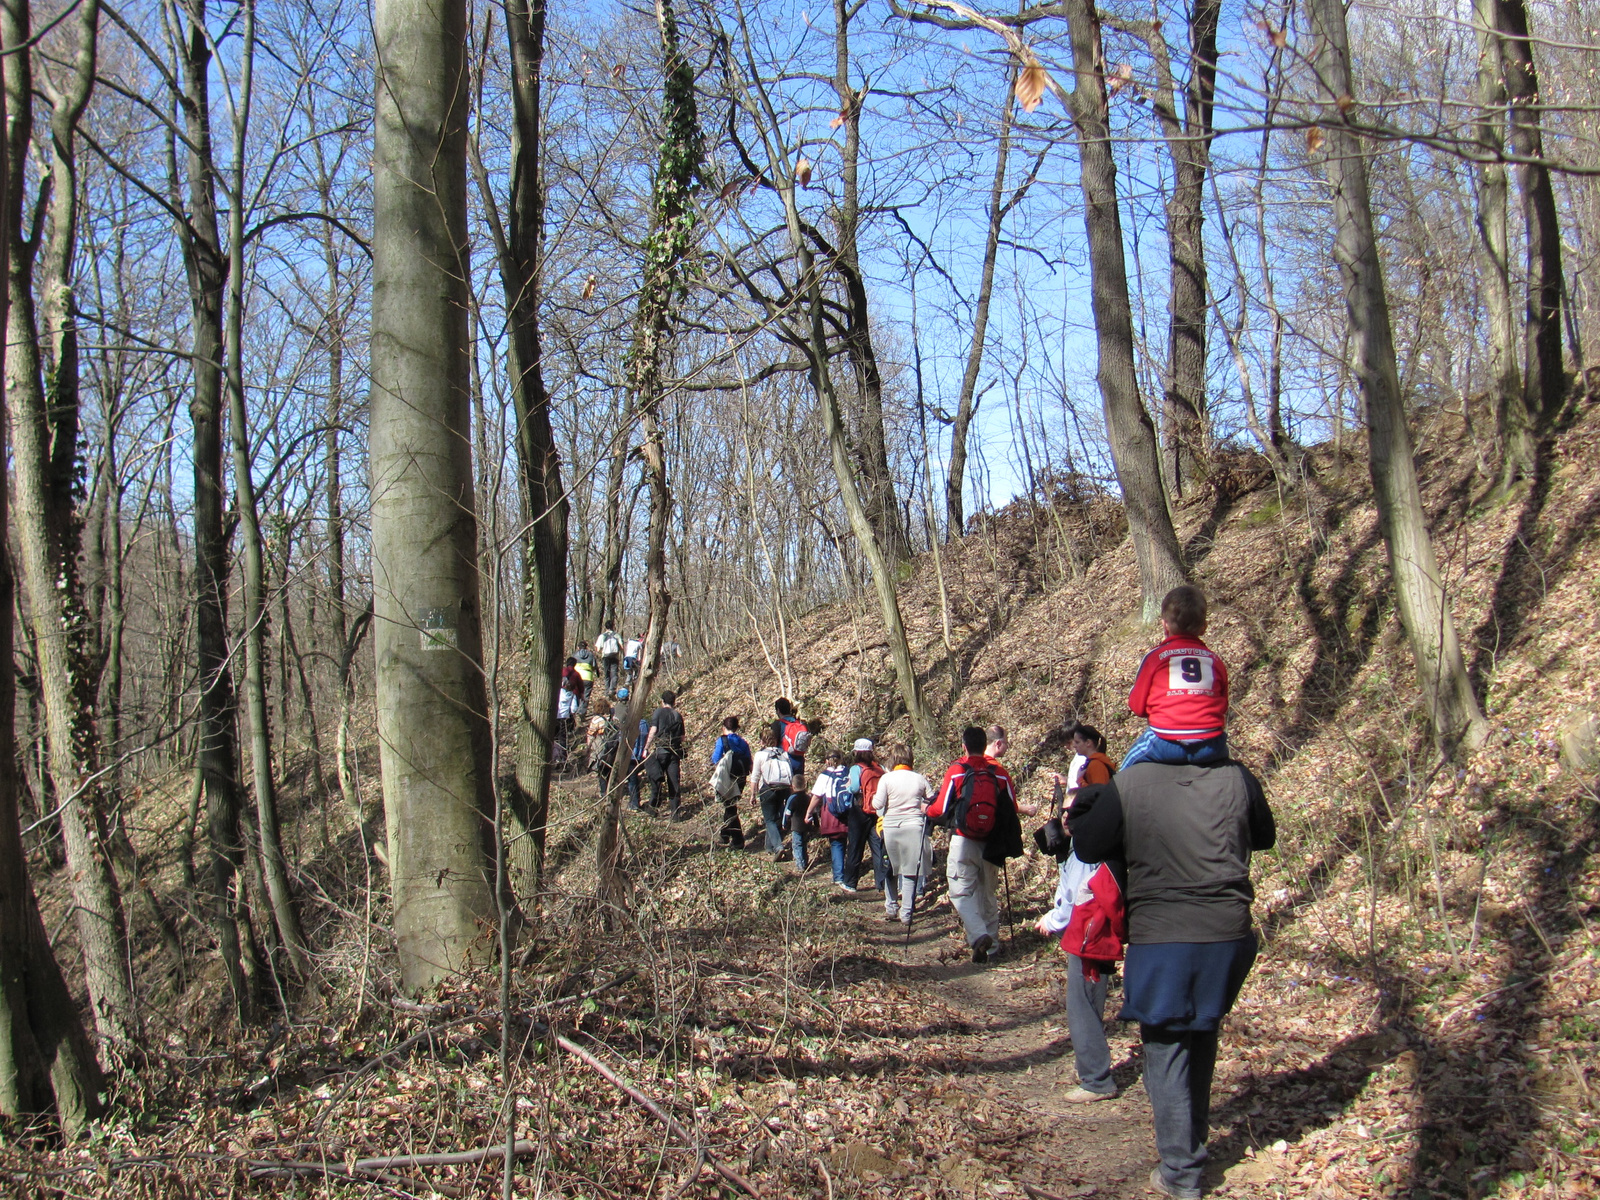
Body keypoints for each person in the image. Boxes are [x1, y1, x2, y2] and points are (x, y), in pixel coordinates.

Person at [1069, 754, 1276, 1198]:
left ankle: (1181, 1171)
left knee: (1164, 1046)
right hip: (1228, 931)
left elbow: (1087, 844)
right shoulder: (1237, 776)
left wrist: (1087, 806)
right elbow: (1265, 836)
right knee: (1202, 1032)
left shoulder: (1133, 781)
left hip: (1163, 933)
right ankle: (1189, 1147)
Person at [1034, 724, 1122, 1106]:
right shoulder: (1109, 844)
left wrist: (1050, 922)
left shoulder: (1086, 853)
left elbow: (1071, 901)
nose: (1063, 819)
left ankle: (1096, 1079)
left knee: (1082, 1006)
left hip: (1089, 935)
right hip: (1104, 931)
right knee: (1093, 999)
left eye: (1069, 813)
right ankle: (1096, 1072)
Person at [928, 726, 1020, 964]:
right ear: (986, 744)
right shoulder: (999, 772)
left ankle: (979, 935)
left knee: (960, 891)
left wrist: (926, 810)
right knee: (988, 893)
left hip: (963, 839)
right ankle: (992, 947)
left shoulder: (958, 770)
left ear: (964, 746)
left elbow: (939, 808)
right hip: (992, 841)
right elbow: (1011, 806)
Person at [1122, 585, 1229, 771]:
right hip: (1211, 745)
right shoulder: (1215, 661)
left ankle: (1111, 797)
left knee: (1121, 775)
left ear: (1165, 624)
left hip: (1165, 741)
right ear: (1204, 627)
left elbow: (1136, 706)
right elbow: (1223, 705)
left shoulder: (1155, 658)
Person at [875, 744, 934, 924]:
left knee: (890, 868)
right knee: (910, 870)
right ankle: (907, 913)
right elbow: (931, 800)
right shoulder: (920, 779)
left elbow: (877, 804)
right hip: (914, 827)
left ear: (893, 759)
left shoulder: (886, 779)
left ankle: (891, 906)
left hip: (891, 827)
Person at [841, 739, 885, 892]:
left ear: (856, 752)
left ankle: (850, 883)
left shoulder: (856, 768)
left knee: (855, 847)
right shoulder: (880, 767)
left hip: (859, 811)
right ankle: (882, 884)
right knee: (878, 848)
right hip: (878, 812)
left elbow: (853, 788)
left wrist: (847, 787)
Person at [805, 751, 851, 888]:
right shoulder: (848, 772)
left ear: (827, 761)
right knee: (847, 842)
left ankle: (839, 876)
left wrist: (808, 812)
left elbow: (816, 796)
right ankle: (848, 873)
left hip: (831, 813)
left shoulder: (825, 775)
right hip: (848, 812)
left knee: (836, 843)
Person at [750, 728, 796, 862]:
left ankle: (778, 846)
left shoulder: (760, 755)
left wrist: (752, 795)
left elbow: (755, 776)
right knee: (775, 817)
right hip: (784, 788)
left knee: (769, 819)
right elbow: (791, 775)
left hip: (767, 789)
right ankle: (769, 847)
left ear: (762, 741)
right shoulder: (784, 753)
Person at [642, 689, 686, 818]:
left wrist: (646, 747)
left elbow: (653, 730)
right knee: (674, 782)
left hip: (660, 751)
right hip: (674, 753)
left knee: (656, 779)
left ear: (662, 701)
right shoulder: (678, 715)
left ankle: (653, 808)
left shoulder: (658, 713)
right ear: (674, 702)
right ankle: (675, 814)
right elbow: (682, 737)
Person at [711, 717, 752, 848]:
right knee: (730, 805)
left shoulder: (722, 740)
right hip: (740, 778)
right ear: (736, 728)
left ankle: (738, 839)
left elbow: (715, 759)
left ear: (724, 727)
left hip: (728, 777)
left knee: (730, 808)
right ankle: (725, 834)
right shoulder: (743, 742)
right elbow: (749, 763)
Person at [558, 657, 586, 742]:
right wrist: (581, 694)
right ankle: (569, 731)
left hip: (561, 694)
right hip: (573, 694)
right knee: (570, 713)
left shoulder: (562, 671)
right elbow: (581, 686)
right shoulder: (576, 674)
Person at [596, 626, 623, 696]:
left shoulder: (602, 636)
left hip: (605, 656)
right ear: (613, 627)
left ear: (605, 627)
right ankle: (612, 689)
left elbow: (598, 648)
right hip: (615, 656)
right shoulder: (616, 635)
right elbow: (621, 646)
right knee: (614, 674)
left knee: (606, 674)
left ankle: (607, 690)